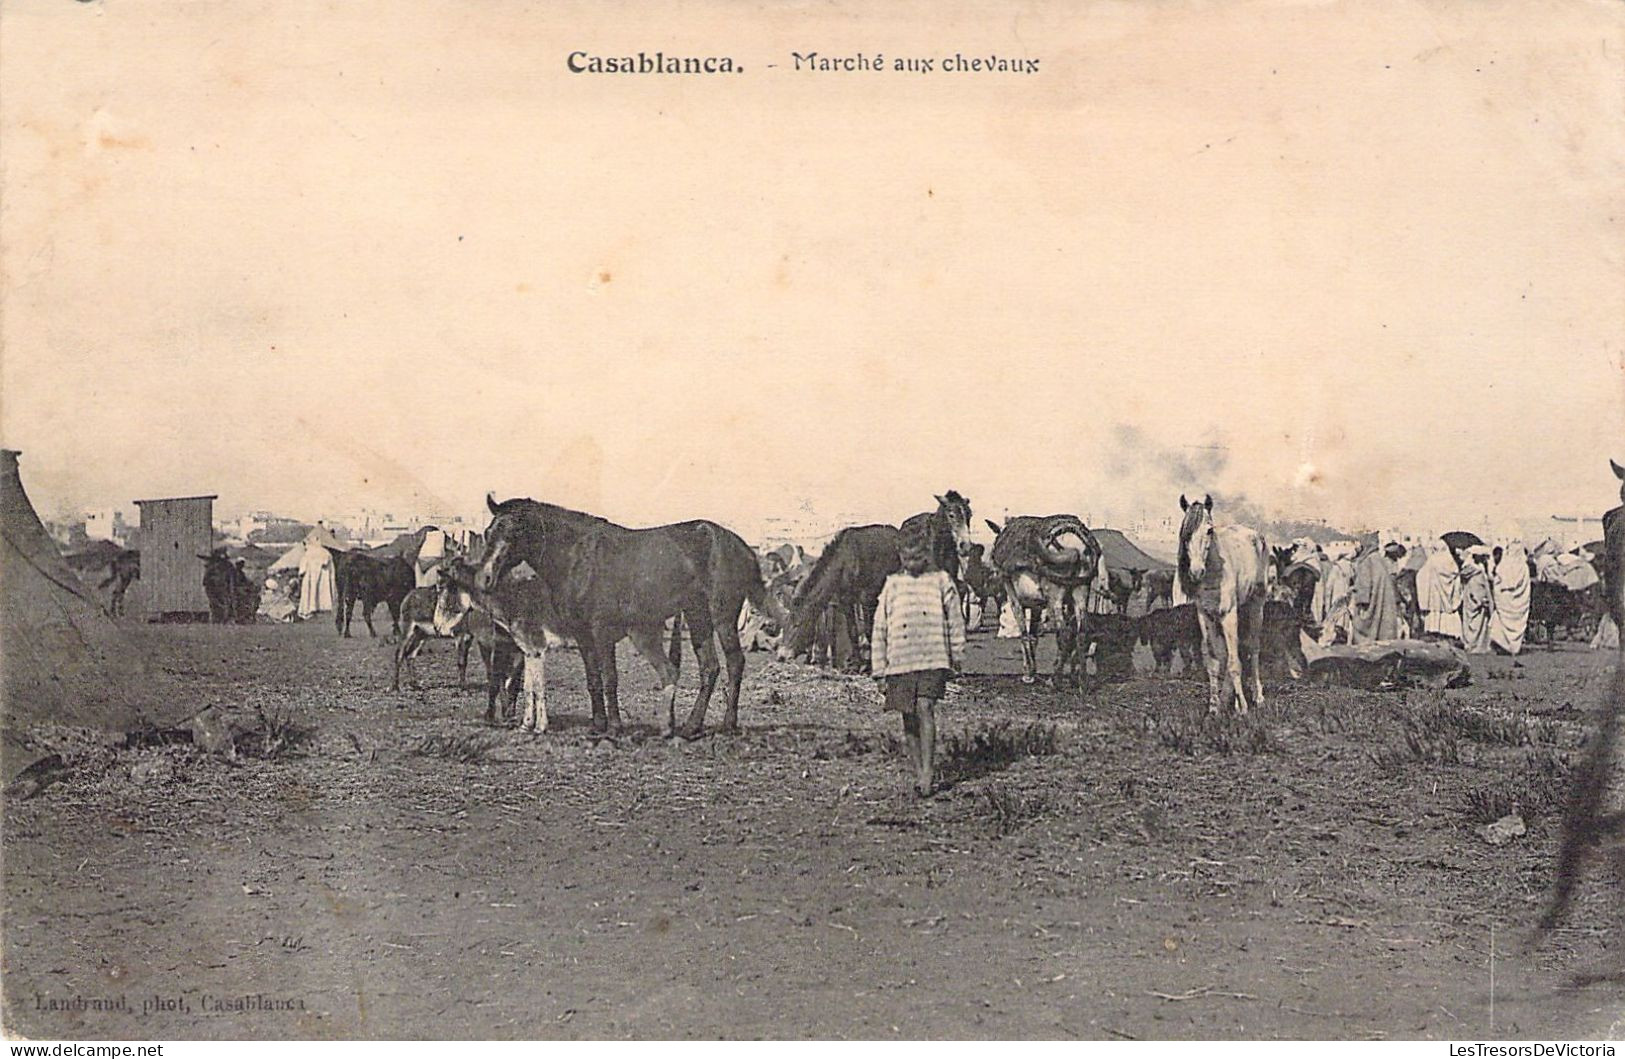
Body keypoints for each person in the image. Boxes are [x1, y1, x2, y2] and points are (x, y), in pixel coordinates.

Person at [871, 522, 966, 798]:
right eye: (907, 558)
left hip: (932, 658)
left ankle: (928, 772)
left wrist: (956, 655)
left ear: (928, 555)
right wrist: (879, 671)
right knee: (908, 716)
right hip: (900, 662)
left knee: (925, 707)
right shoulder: (893, 585)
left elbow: (955, 621)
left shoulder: (941, 581)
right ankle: (917, 767)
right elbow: (880, 628)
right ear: (900, 556)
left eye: (918, 558)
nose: (912, 564)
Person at [1351, 534, 1400, 643]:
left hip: (1373, 604)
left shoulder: (1367, 561)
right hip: (1384, 604)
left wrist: (1360, 605)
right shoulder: (1378, 559)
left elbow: (1364, 588)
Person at [1415, 539, 1464, 642]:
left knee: (1435, 621)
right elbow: (1456, 578)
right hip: (1449, 603)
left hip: (1435, 600)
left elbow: (1420, 576)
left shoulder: (1432, 561)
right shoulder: (1451, 562)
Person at [1490, 535, 1531, 656]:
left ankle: (1504, 646)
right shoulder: (1524, 567)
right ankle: (1512, 646)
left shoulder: (1505, 565)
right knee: (1512, 624)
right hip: (1518, 602)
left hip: (1504, 600)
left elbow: (1499, 581)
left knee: (1500, 623)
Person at [1460, 548, 1494, 654]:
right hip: (1475, 598)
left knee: (1478, 623)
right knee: (1476, 622)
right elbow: (1474, 586)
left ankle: (1477, 645)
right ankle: (1474, 645)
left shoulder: (1476, 568)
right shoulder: (1475, 569)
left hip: (1476, 598)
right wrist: (1479, 599)